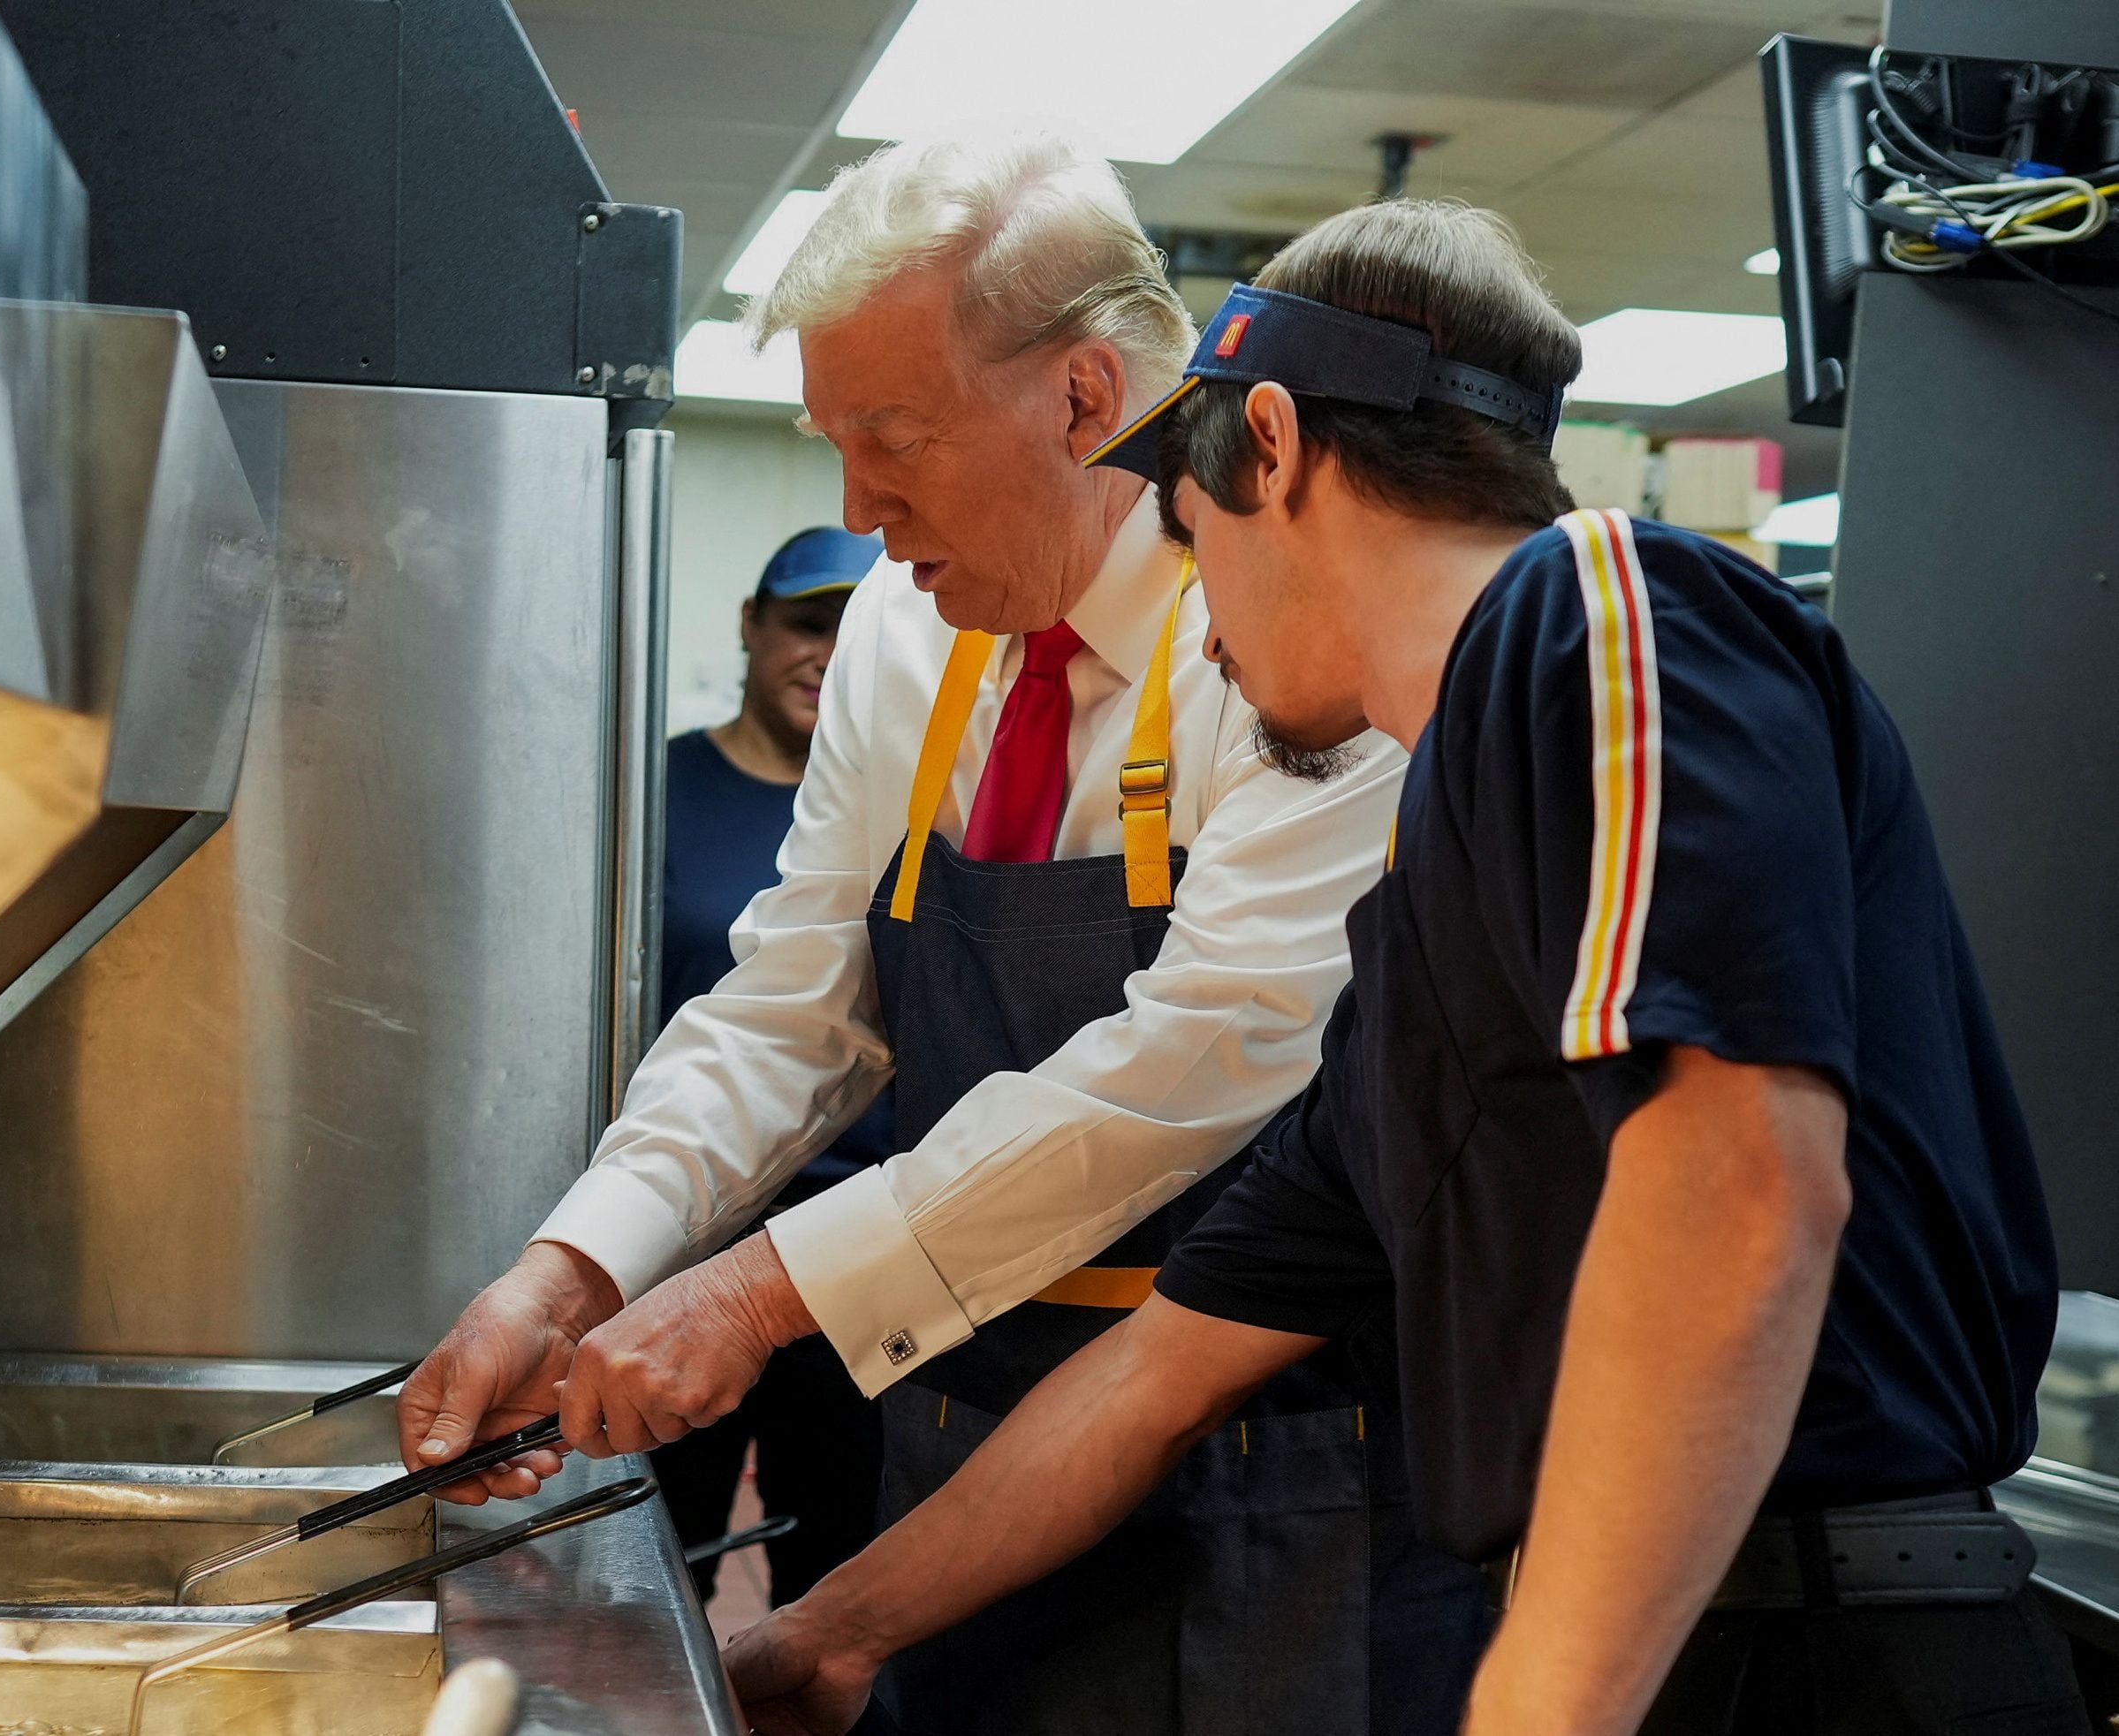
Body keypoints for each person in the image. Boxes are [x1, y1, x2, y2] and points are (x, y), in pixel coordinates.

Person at [723, 198, 2079, 1736]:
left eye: (1188, 534)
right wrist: (829, 1636)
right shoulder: (1419, 957)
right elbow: (1156, 1372)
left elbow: (1739, 1180)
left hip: (1825, 1655)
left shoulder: (1604, 610)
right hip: (1678, 1650)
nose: (1199, 631)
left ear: (1280, 449)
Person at [401, 134, 1489, 1733]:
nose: (855, 507)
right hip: (955, 1438)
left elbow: (1195, 1057)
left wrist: (759, 1294)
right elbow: (796, 1001)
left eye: (890, 438)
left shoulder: (1293, 634)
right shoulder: (910, 631)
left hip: (1266, 1479)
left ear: (1080, 394)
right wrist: (575, 1267)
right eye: (831, 444)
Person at [651, 526, 892, 1607]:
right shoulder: (657, 792)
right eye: (806, 625)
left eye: (856, 633)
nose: (827, 657)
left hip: (857, 1256)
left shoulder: (904, 814)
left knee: (836, 1572)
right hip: (685, 1243)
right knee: (658, 1553)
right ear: (750, 628)